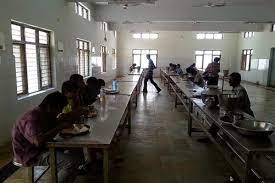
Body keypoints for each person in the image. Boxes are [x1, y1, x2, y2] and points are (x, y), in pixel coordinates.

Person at [12, 92, 85, 183]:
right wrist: (59, 127)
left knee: (77, 149)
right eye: (59, 109)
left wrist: (67, 117)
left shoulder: (45, 113)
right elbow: (38, 142)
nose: (59, 112)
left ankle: (70, 173)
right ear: (50, 106)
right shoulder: (31, 118)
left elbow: (53, 124)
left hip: (44, 147)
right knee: (71, 162)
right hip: (31, 154)